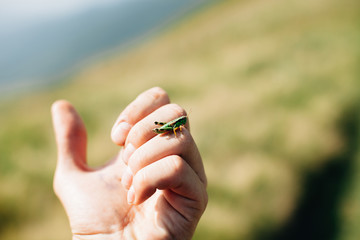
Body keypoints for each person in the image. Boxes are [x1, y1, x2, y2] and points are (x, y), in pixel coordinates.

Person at [51, 87, 208, 240]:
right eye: (181, 122)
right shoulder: (174, 126)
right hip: (163, 129)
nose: (181, 122)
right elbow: (174, 129)